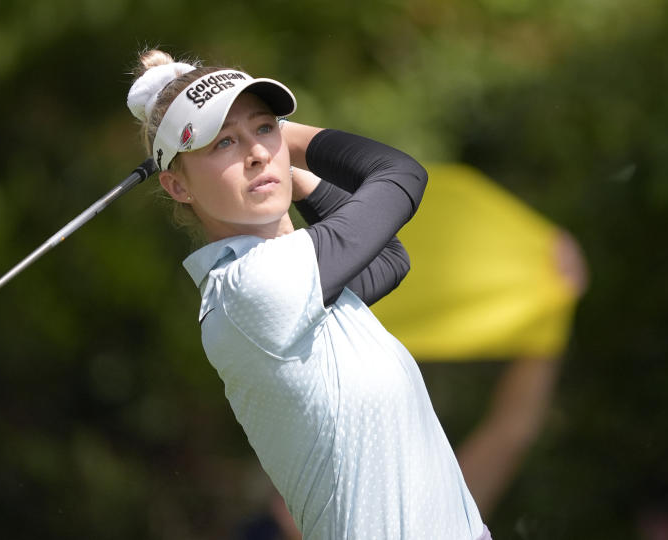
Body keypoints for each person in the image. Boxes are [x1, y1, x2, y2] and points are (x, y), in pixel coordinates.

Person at [127, 49, 489, 539]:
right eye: (222, 143)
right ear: (177, 186)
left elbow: (389, 259)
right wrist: (287, 146)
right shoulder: (254, 288)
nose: (256, 152)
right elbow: (400, 175)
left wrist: (282, 171)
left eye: (265, 128)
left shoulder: (301, 284)